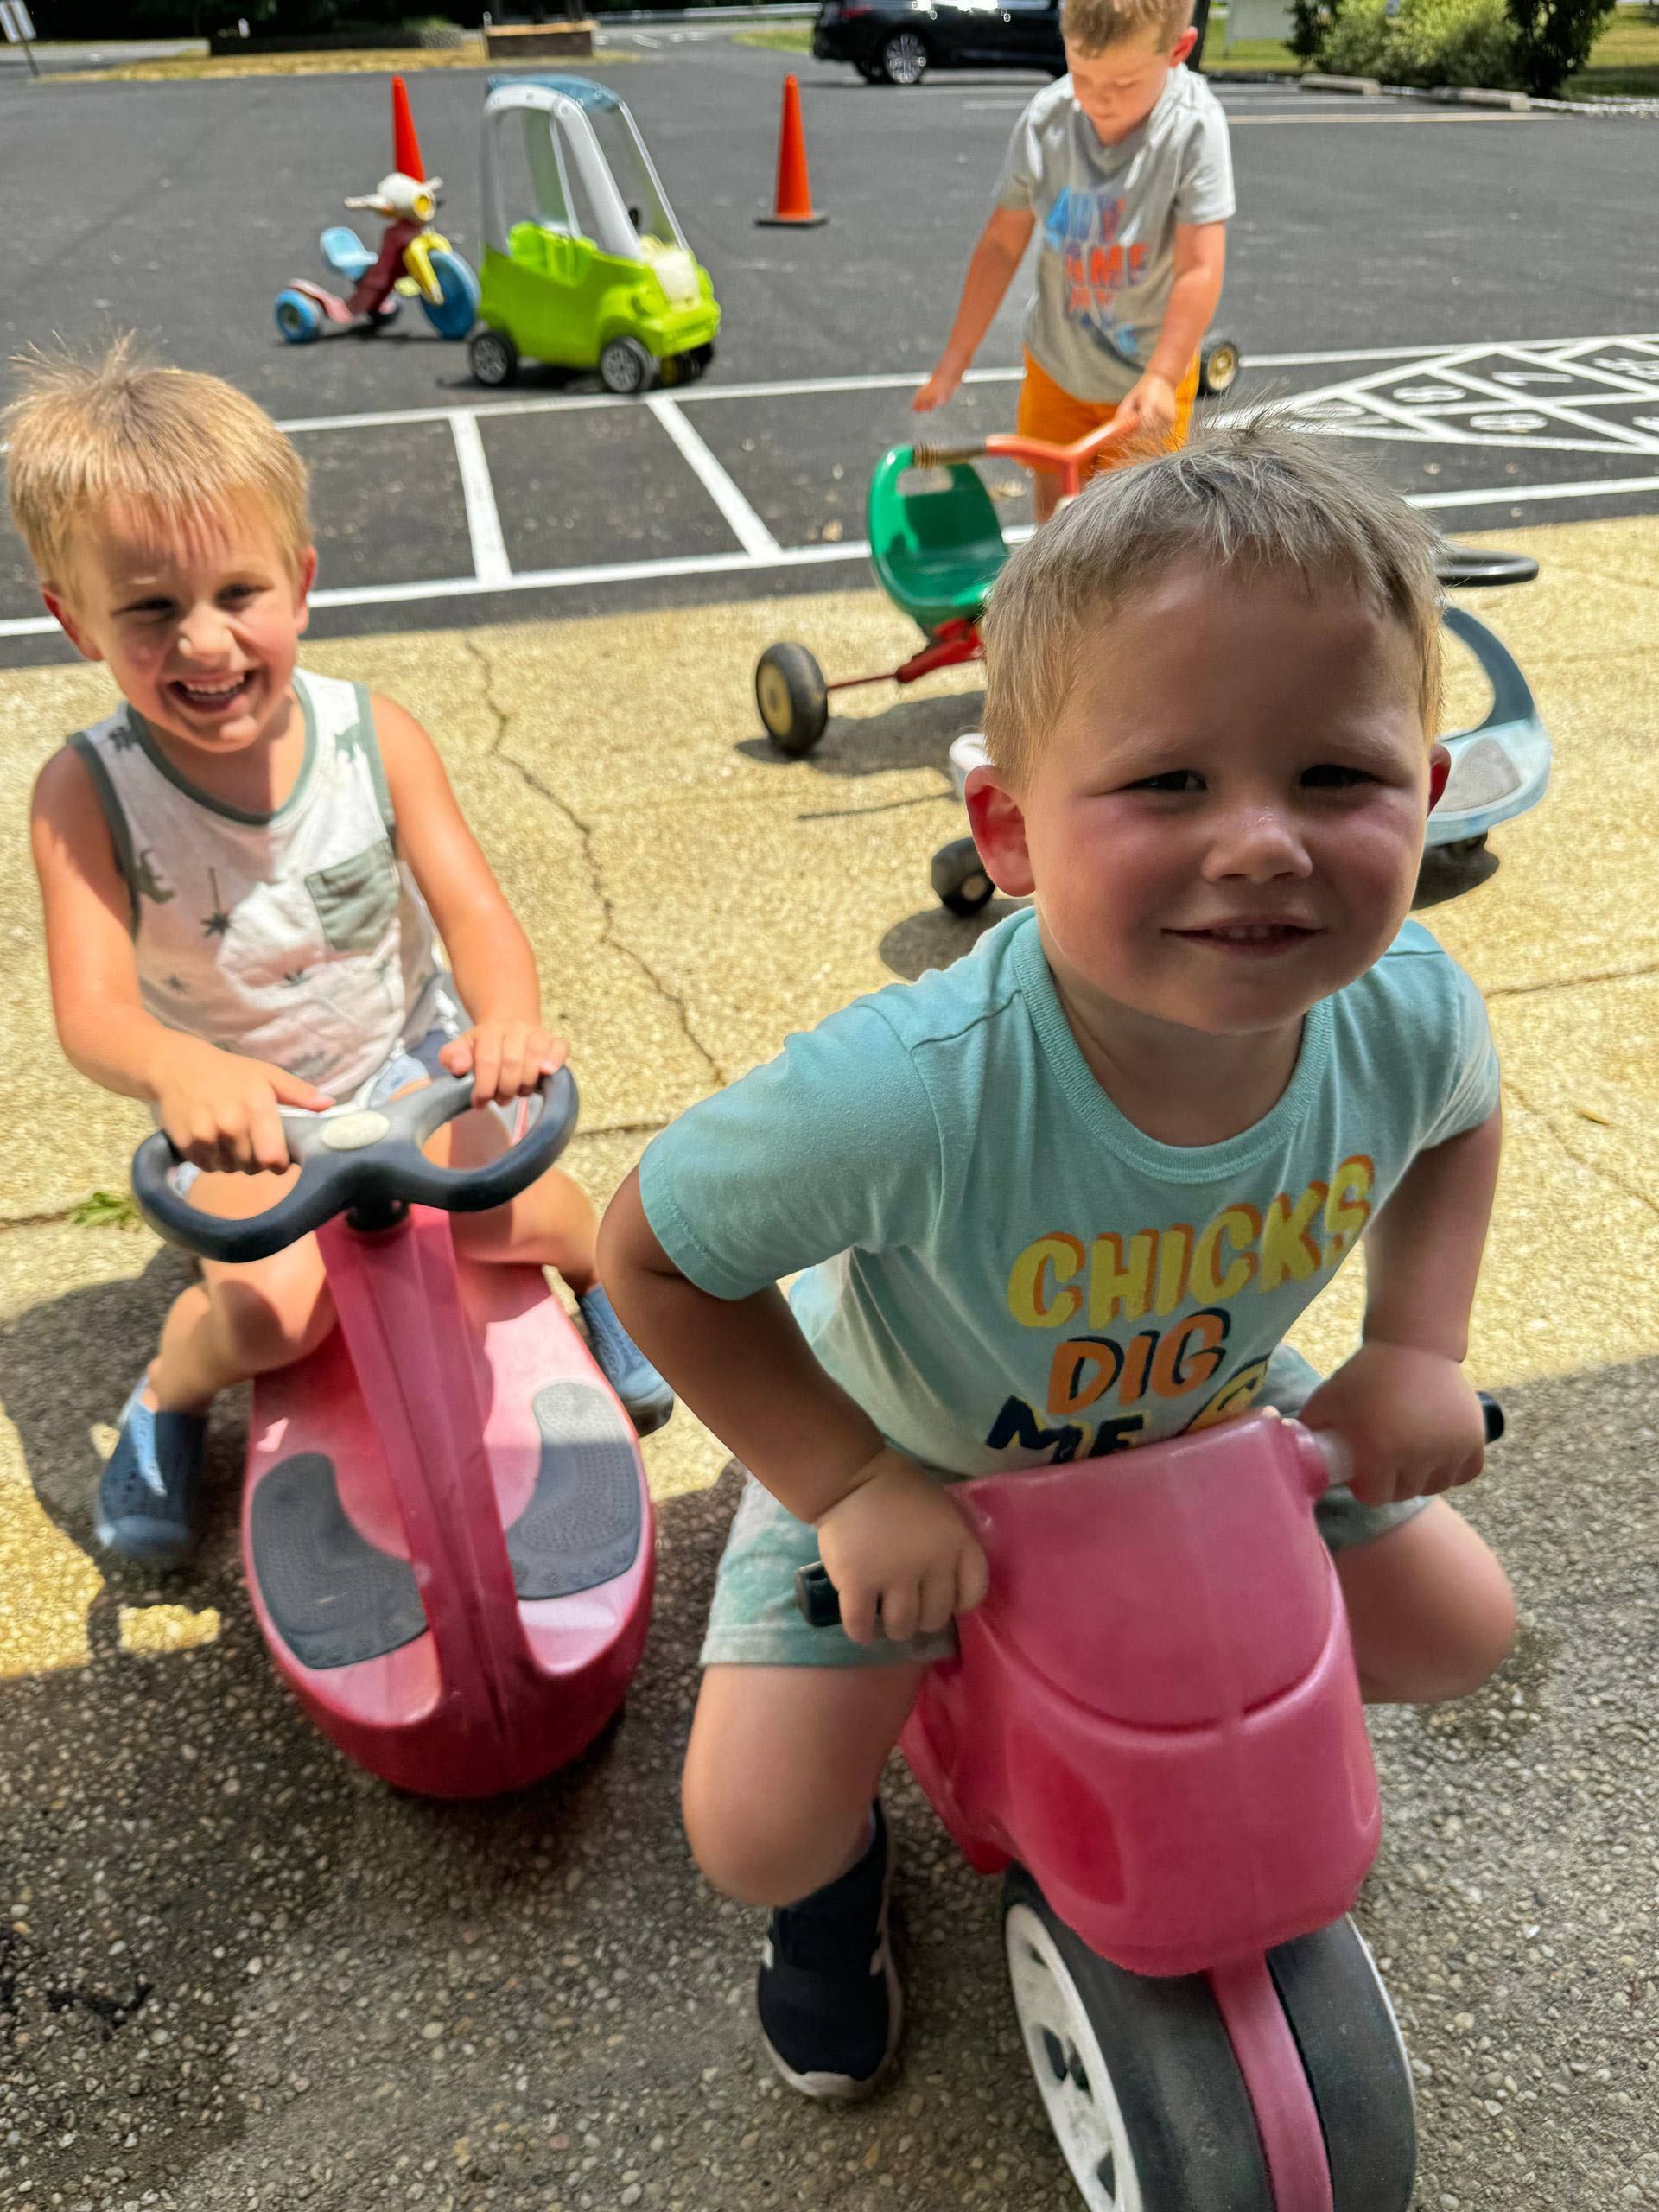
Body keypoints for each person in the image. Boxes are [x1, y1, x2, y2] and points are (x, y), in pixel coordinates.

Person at [598, 423, 1516, 2102]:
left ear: (1431, 792)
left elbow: (1461, 1117)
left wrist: (1418, 1343)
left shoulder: (1404, 1007)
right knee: (756, 1820)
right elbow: (652, 1254)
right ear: (1007, 829)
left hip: (1228, 1408)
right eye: (1170, 780)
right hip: (909, 1443)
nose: (1262, 842)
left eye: (1336, 775)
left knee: (1465, 1629)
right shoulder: (912, 1090)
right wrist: (850, 1475)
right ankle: (836, 1891)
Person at [10, 339, 671, 1567]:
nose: (204, 645)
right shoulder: (84, 793)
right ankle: (164, 1397)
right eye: (150, 610)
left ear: (300, 584)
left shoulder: (376, 737)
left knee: (543, 1214)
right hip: (247, 1117)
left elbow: (473, 911)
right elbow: (91, 1007)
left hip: (409, 1067)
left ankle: (604, 1301)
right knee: (274, 1318)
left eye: (236, 595)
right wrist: (172, 1070)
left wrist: (507, 1018)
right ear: (74, 622)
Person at [915, 0, 1233, 522]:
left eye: (1124, 84)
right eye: (1082, 74)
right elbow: (1000, 246)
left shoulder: (1194, 128)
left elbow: (1201, 268)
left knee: (1137, 538)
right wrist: (956, 358)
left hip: (1149, 377)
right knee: (1058, 523)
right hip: (1057, 367)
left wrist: (1160, 375)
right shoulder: (1048, 120)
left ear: (1177, 52)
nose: (1099, 101)